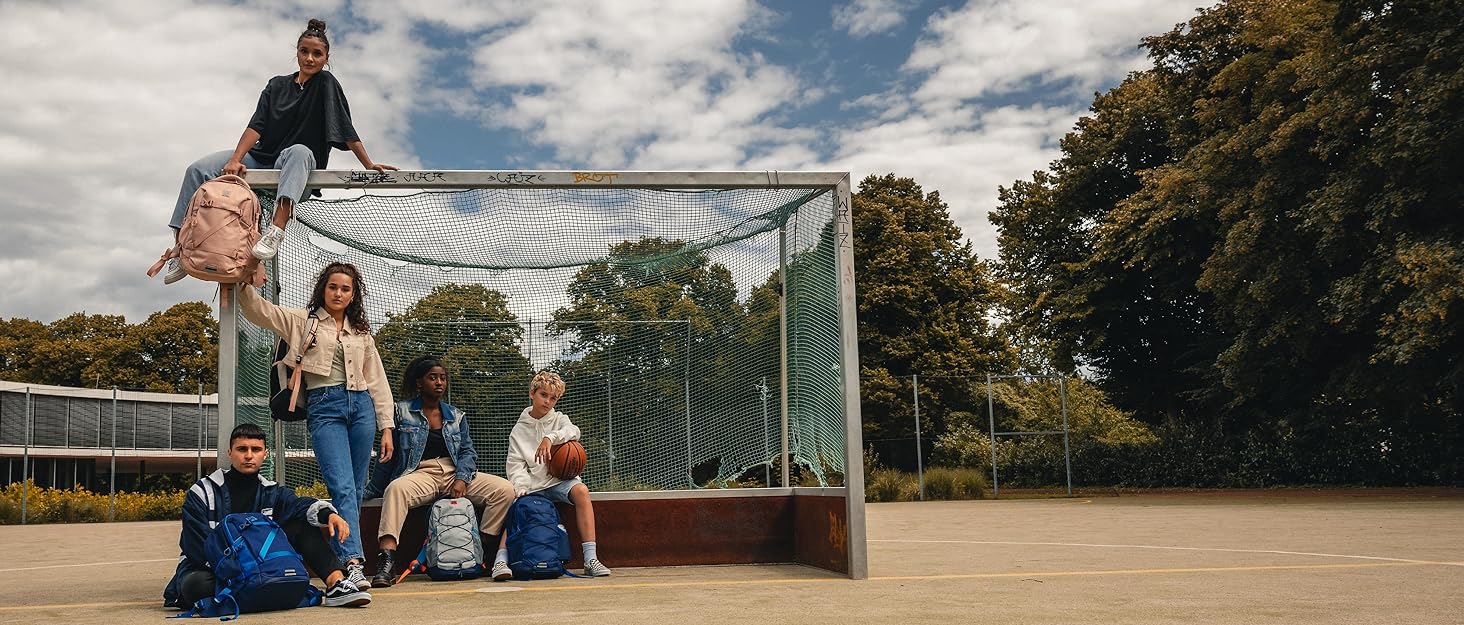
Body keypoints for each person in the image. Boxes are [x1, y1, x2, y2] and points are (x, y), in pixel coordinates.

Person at [159, 18, 396, 284]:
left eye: (317, 54)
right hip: (264, 158)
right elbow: (256, 126)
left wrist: (368, 163)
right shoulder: (276, 85)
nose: (309, 58)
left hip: (297, 166)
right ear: (296, 53)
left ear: (326, 58)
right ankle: (180, 248)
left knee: (299, 151)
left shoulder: (326, 83)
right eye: (304, 51)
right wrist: (236, 159)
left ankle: (276, 231)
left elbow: (345, 127)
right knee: (198, 169)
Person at [238, 261, 394, 589]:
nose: (338, 293)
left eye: (345, 289)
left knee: (353, 487)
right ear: (323, 289)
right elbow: (257, 310)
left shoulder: (361, 332)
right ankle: (353, 563)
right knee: (340, 486)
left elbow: (376, 380)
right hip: (325, 407)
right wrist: (245, 278)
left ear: (354, 295)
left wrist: (387, 426)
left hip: (361, 406)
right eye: (333, 287)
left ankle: (348, 560)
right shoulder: (301, 321)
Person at [163, 424, 372, 609]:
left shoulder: (271, 492)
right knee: (195, 586)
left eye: (256, 449)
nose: (248, 455)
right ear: (230, 452)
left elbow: (299, 505)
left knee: (299, 524)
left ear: (265, 454)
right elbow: (196, 545)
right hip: (213, 569)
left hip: (261, 568)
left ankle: (336, 584)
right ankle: (263, 592)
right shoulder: (202, 492)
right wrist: (236, 571)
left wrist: (329, 515)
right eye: (242, 449)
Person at [363, 355, 517, 587]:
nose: (439, 383)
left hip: (453, 472)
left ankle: (479, 552)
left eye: (443, 378)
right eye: (432, 378)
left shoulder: (456, 416)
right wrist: (371, 490)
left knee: (504, 490)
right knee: (395, 490)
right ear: (419, 382)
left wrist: (462, 478)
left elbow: (467, 452)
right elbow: (388, 456)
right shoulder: (400, 412)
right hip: (419, 473)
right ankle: (386, 560)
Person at [492, 371, 611, 580]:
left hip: (559, 480)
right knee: (518, 506)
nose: (547, 401)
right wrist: (521, 487)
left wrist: (550, 437)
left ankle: (590, 559)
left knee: (581, 491)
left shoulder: (559, 419)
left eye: (553, 398)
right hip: (534, 486)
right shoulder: (519, 430)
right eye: (543, 395)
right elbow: (515, 465)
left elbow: (574, 431)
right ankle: (500, 561)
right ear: (532, 393)